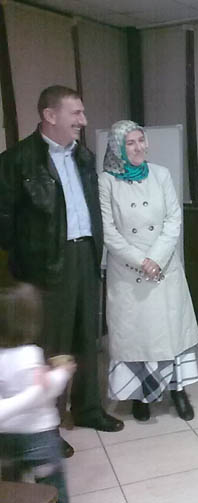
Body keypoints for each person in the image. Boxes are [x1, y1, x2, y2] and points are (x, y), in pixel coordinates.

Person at [0, 85, 123, 458]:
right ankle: (49, 425)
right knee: (52, 344)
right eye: (76, 113)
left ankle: (88, 408)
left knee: (88, 335)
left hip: (85, 254)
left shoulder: (83, 156)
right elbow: (5, 221)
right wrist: (29, 260)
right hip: (46, 264)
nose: (83, 121)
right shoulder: (17, 160)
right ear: (50, 116)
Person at [99, 120, 198, 421]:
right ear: (118, 148)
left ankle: (178, 391)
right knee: (137, 337)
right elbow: (108, 230)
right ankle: (139, 396)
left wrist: (155, 258)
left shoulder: (161, 174)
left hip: (163, 267)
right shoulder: (107, 181)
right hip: (129, 272)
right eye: (130, 143)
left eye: (141, 141)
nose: (138, 148)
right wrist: (141, 261)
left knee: (170, 332)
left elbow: (173, 219)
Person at [0, 282, 76, 503]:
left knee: (14, 488)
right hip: (39, 437)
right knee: (53, 487)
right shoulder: (31, 354)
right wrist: (62, 373)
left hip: (6, 437)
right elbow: (43, 392)